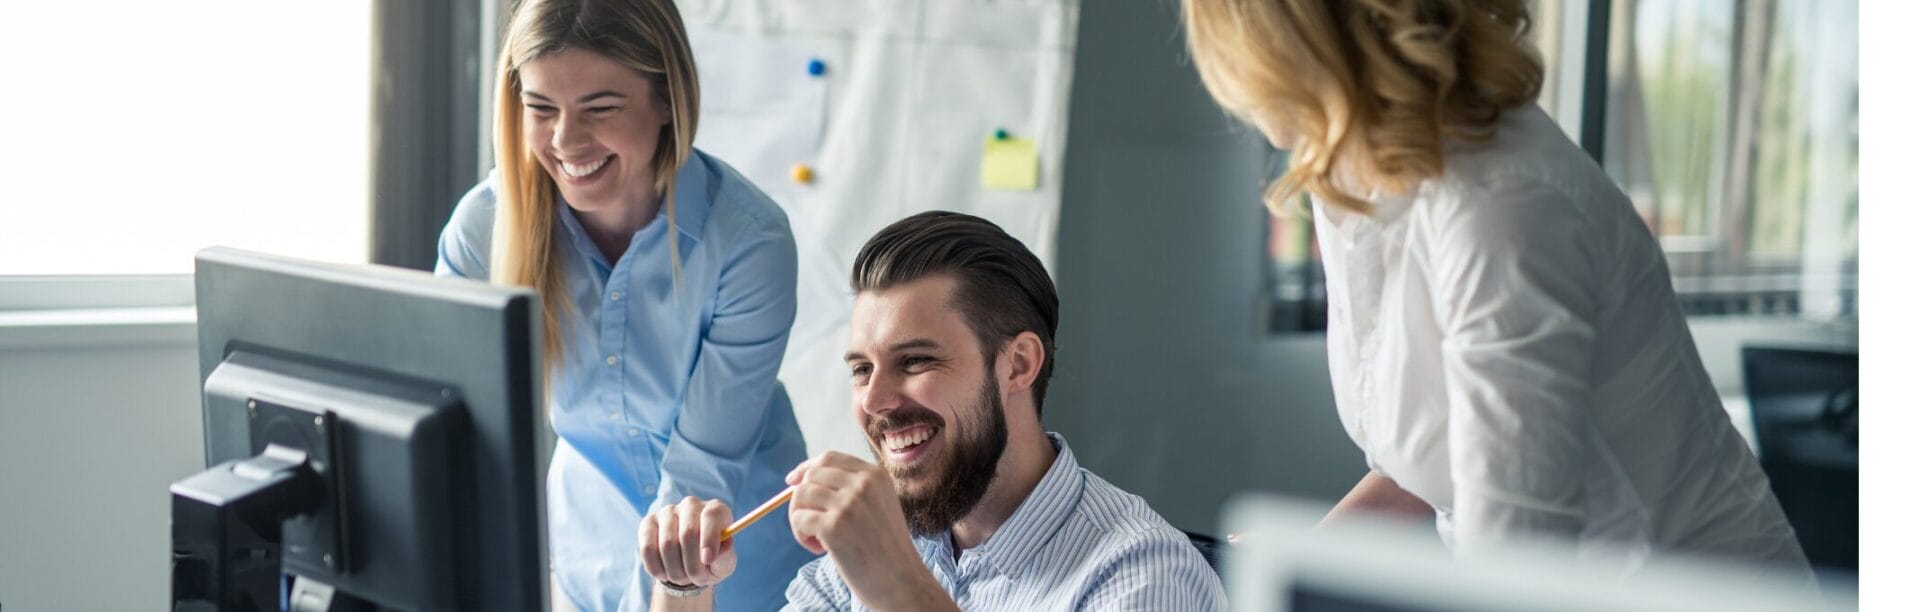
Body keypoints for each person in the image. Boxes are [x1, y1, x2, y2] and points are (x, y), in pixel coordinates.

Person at [1180, 0, 1813, 579]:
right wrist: (1292, 565)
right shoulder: (1355, 170)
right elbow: (1441, 457)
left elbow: (1511, 562)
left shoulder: (1503, 207)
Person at [631, 211, 1227, 610]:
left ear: (1018, 364)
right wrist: (684, 588)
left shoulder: (1144, 575)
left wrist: (896, 586)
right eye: (862, 369)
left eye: (915, 361)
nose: (873, 401)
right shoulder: (878, 555)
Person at [433, 0, 815, 609]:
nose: (565, 140)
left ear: (666, 99)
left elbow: (701, 476)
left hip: (739, 574)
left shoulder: (747, 241)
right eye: (540, 108)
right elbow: (449, 430)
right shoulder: (485, 228)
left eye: (600, 108)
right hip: (591, 571)